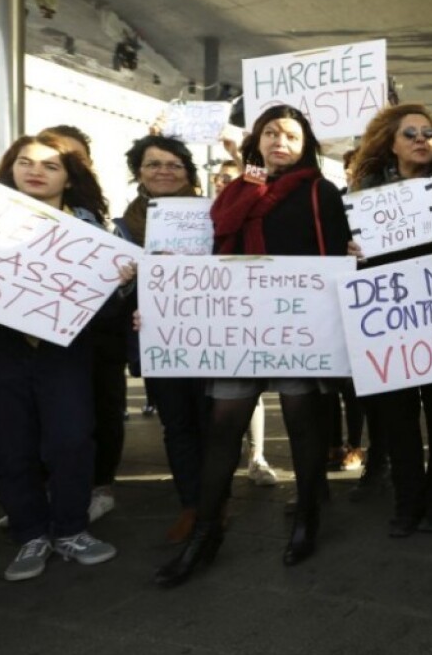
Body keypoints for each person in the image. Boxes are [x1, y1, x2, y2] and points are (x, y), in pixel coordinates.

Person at [154, 104, 351, 586]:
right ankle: (207, 530)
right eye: (269, 133)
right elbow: (217, 239)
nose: (278, 140)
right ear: (256, 142)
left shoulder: (319, 191)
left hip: (296, 328)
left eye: (289, 134)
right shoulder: (237, 190)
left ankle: (307, 515)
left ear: (305, 145)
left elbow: (334, 252)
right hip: (237, 328)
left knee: (303, 426)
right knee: (223, 430)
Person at [0, 132, 133, 581]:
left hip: (62, 355)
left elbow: (105, 313)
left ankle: (70, 529)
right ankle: (30, 534)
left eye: (50, 166)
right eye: (25, 162)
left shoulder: (90, 234)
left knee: (71, 440)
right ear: (10, 169)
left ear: (68, 179)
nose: (35, 171)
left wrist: (119, 285)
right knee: (9, 447)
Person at [350, 103, 432, 538]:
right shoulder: (363, 195)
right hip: (390, 324)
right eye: (411, 134)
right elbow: (356, 269)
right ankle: (407, 503)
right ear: (391, 143)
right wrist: (353, 255)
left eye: (429, 133)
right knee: (398, 419)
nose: (422, 140)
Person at [115, 135, 218, 542]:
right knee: (176, 425)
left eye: (174, 164)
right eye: (154, 164)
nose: (163, 171)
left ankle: (216, 501)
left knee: (213, 425)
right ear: (138, 172)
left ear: (189, 173)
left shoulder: (216, 213)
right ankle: (191, 506)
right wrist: (127, 289)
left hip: (213, 334)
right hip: (159, 338)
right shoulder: (124, 226)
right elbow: (112, 296)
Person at [41, 124, 126, 524]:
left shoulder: (93, 216)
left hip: (102, 335)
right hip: (40, 338)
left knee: (101, 411)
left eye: (73, 158)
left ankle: (98, 487)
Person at [211, 158, 278, 488]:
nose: (225, 182)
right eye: (220, 177)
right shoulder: (213, 209)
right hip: (224, 311)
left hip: (270, 307)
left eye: (232, 176)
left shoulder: (267, 195)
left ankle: (256, 455)